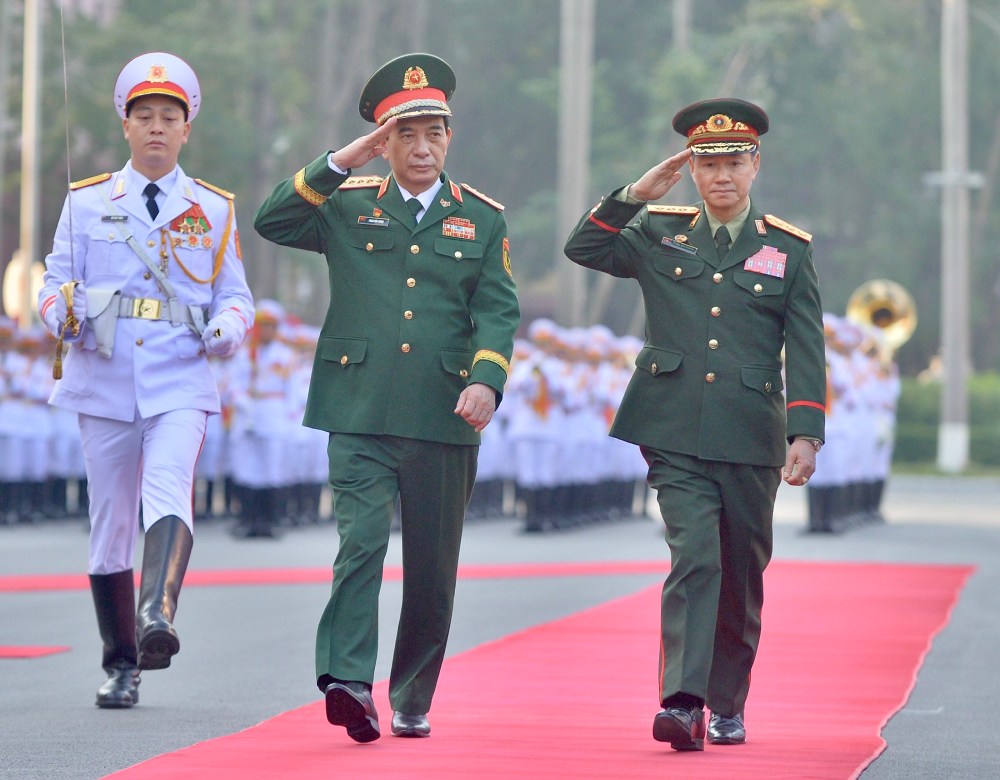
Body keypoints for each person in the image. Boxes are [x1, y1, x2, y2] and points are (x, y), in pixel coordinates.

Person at [253, 53, 519, 742]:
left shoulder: (482, 222)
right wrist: (344, 158)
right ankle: (345, 678)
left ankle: (412, 692)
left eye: (432, 132)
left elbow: (498, 312)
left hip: (443, 413)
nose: (420, 147)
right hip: (359, 408)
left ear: (450, 137)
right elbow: (273, 221)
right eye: (404, 134)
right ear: (384, 141)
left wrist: (486, 379)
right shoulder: (344, 205)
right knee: (361, 544)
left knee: (432, 571)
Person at [563, 98, 826, 750]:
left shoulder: (786, 251)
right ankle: (683, 701)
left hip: (750, 434)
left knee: (740, 572)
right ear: (692, 169)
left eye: (733, 162)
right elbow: (585, 246)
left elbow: (807, 346)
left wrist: (805, 432)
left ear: (754, 165)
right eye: (707, 164)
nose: (721, 176)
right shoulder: (660, 230)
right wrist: (634, 194)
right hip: (673, 428)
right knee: (695, 559)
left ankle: (728, 701)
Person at [37, 52, 254, 709]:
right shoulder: (86, 201)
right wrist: (62, 314)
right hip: (103, 378)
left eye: (169, 117)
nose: (157, 127)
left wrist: (227, 329)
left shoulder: (212, 211)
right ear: (125, 126)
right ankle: (120, 662)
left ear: (187, 129)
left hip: (178, 376)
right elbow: (51, 286)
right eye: (144, 116)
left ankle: (157, 614)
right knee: (109, 526)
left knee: (167, 489)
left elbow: (236, 297)